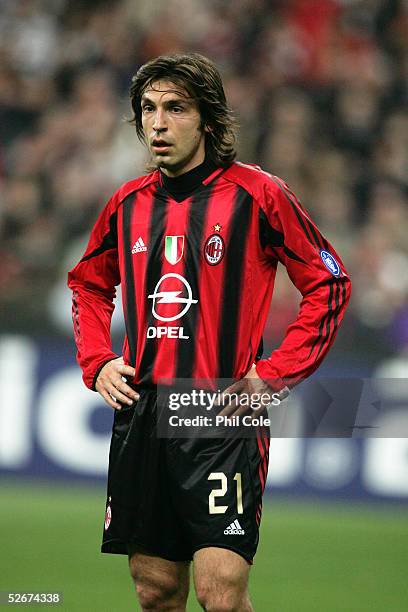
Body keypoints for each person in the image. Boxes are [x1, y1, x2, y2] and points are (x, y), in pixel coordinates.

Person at [68, 52, 351, 611]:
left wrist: (272, 376)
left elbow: (330, 282)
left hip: (219, 412)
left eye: (175, 108)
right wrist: (98, 360)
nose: (157, 122)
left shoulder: (259, 194)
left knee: (220, 594)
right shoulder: (126, 204)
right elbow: (88, 284)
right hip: (144, 414)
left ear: (210, 122)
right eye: (148, 109)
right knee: (155, 592)